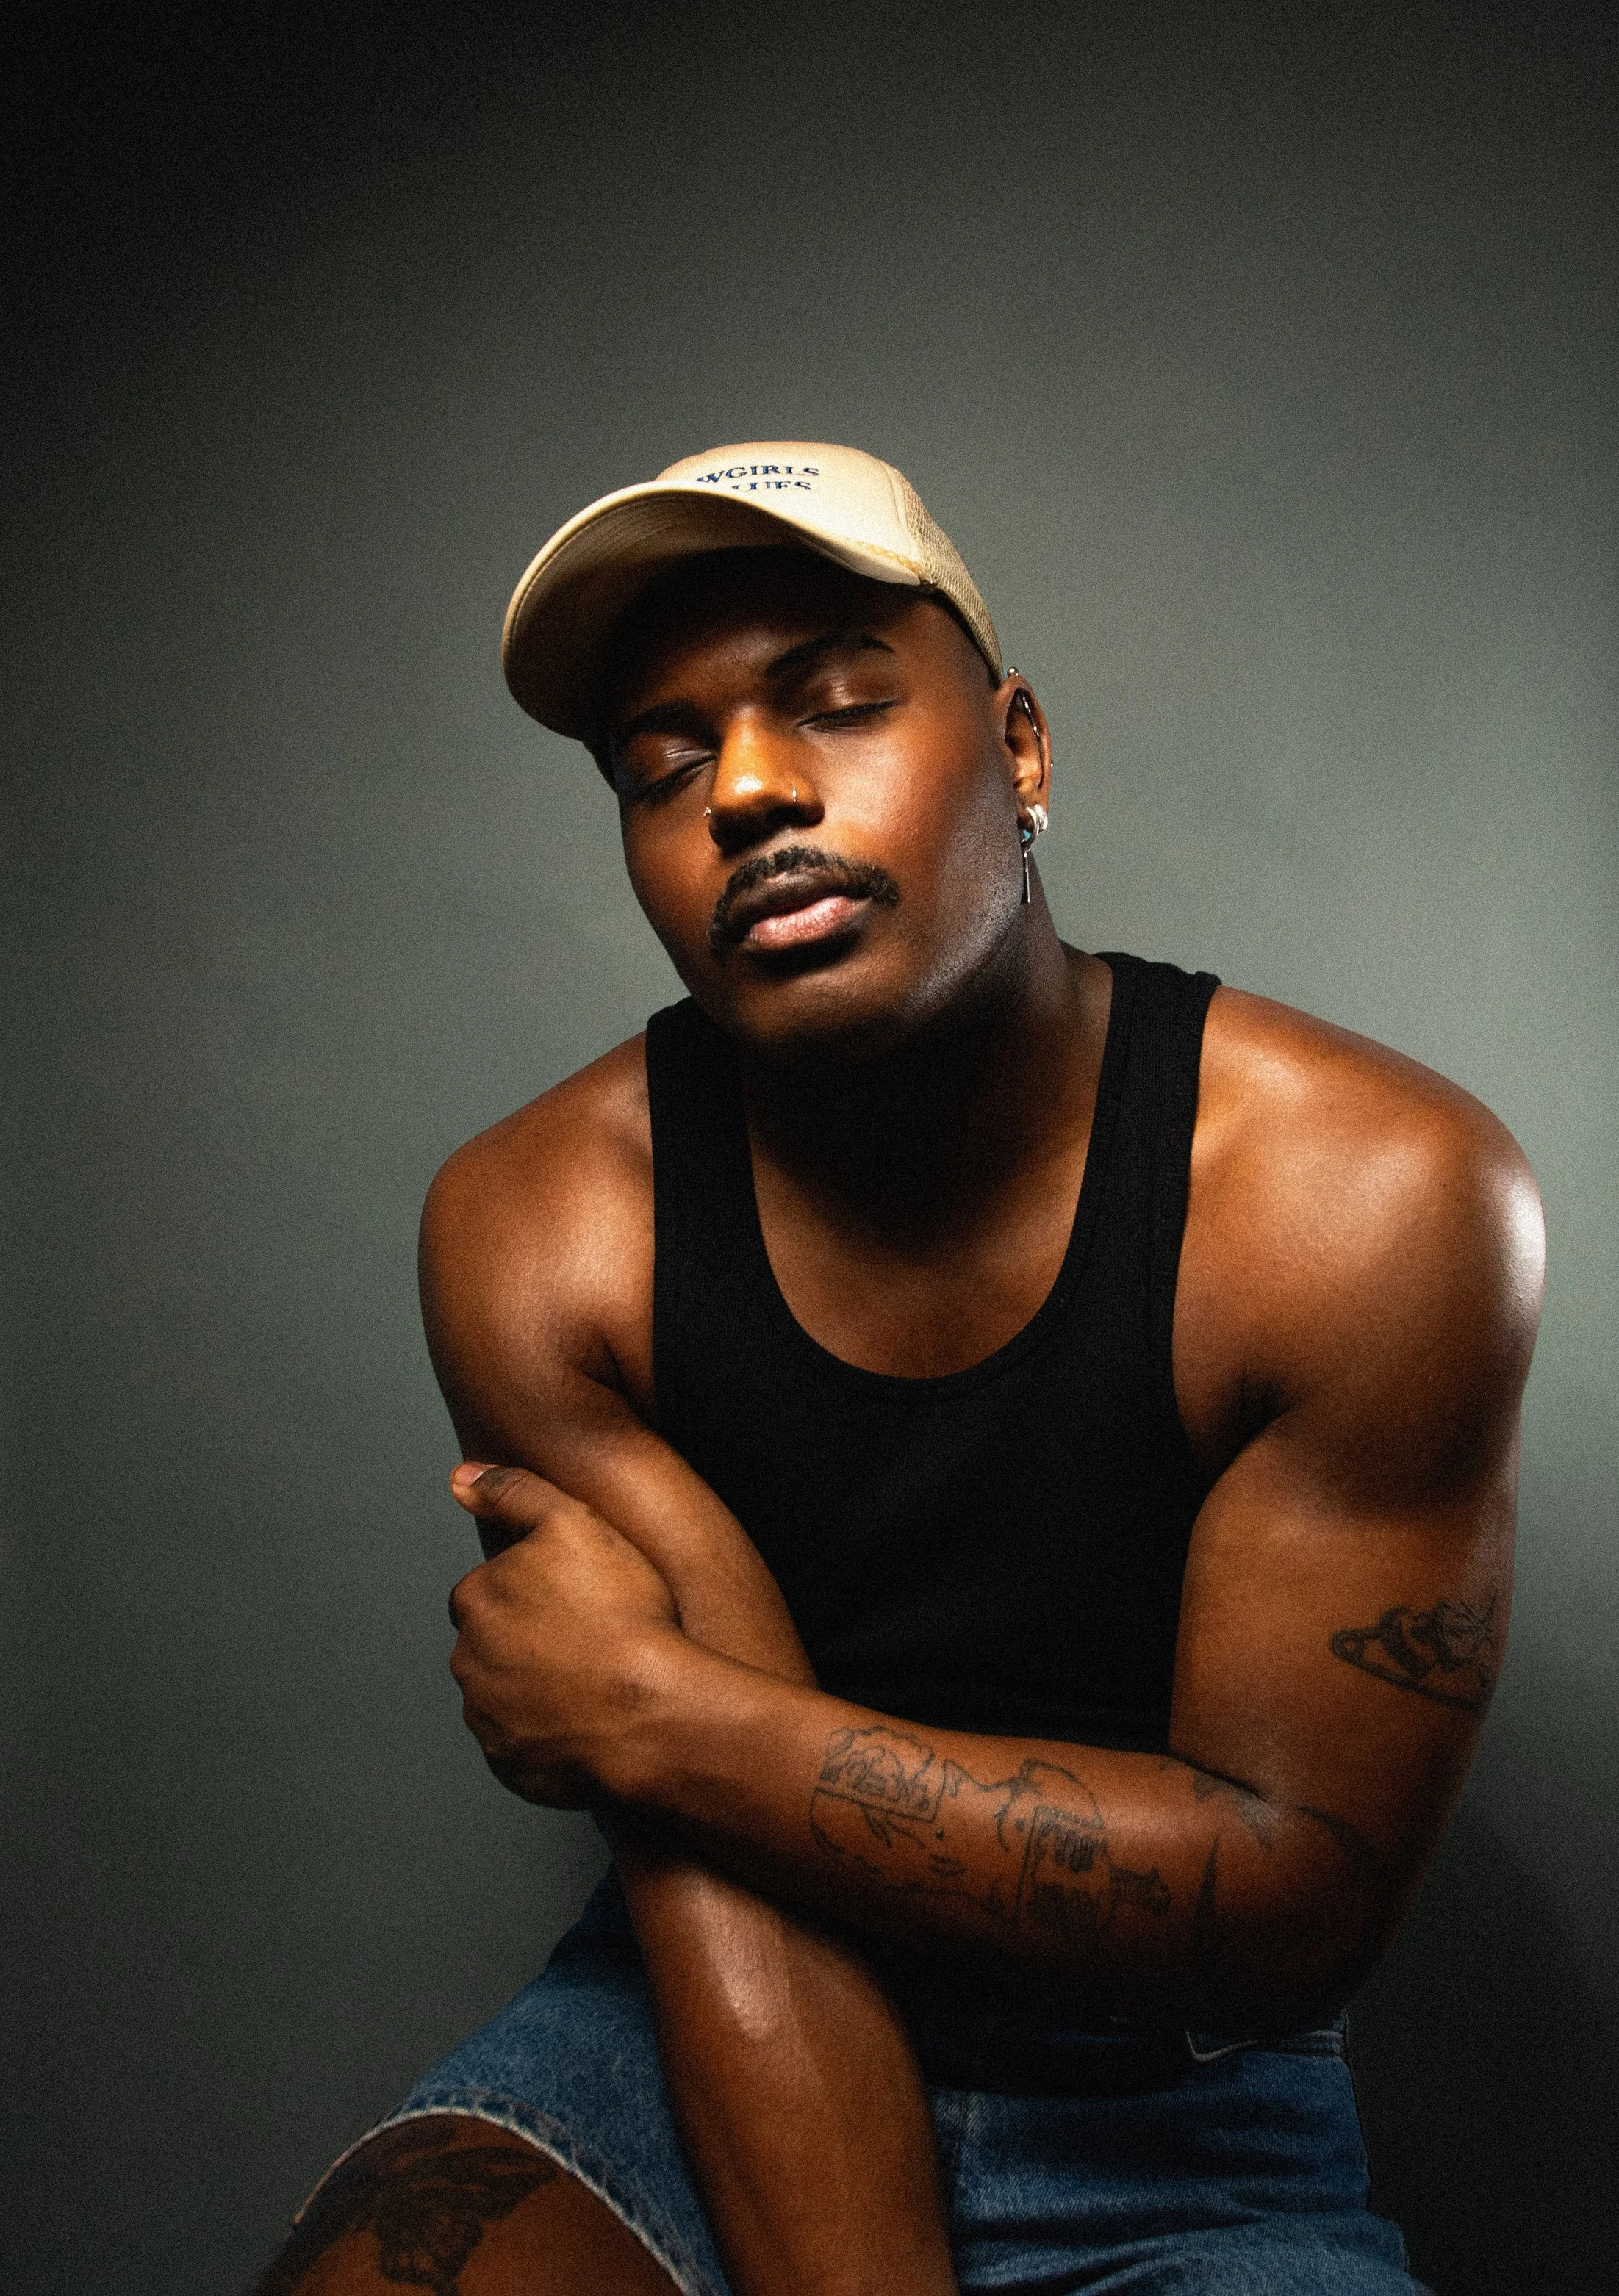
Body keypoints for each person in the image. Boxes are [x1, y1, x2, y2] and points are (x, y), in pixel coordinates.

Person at [257, 441, 1543, 2296]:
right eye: (661, 760)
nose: (749, 789)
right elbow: (715, 1879)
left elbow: (1283, 1910)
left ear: (1019, 746)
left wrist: (656, 1713)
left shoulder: (1364, 1200)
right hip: (685, 2034)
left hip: (1172, 2110)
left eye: (839, 701)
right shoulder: (549, 1228)